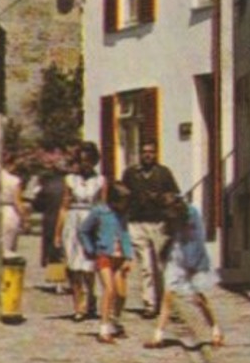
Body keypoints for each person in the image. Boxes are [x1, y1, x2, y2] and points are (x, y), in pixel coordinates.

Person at [145, 192, 223, 350]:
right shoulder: (170, 217)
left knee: (198, 299)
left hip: (194, 258)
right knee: (168, 296)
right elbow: (170, 235)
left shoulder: (192, 213)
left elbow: (198, 238)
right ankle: (157, 335)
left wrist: (194, 264)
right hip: (176, 257)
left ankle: (215, 330)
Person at [119, 140, 179, 316]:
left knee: (159, 266)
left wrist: (160, 198)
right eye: (144, 151)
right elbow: (123, 196)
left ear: (156, 153)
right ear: (139, 153)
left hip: (158, 223)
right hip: (137, 223)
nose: (148, 155)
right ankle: (150, 304)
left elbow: (173, 196)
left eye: (151, 152)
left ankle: (163, 301)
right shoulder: (130, 174)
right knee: (146, 266)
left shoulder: (163, 173)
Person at [55, 141, 103, 321]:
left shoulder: (100, 181)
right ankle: (78, 305)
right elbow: (64, 206)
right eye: (82, 161)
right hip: (73, 222)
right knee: (74, 266)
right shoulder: (70, 180)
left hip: (91, 222)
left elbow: (102, 207)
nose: (85, 165)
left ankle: (91, 298)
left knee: (89, 265)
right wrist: (58, 233)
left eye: (89, 161)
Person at [80, 184, 134, 343]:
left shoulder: (124, 214)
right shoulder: (99, 212)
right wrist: (90, 248)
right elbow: (84, 230)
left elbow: (124, 234)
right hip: (104, 254)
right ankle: (103, 329)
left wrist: (129, 256)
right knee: (109, 290)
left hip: (119, 256)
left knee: (122, 294)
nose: (124, 204)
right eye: (122, 201)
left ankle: (114, 322)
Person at [32, 153, 69, 290]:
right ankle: (74, 281)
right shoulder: (71, 183)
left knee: (54, 251)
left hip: (51, 219)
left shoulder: (47, 185)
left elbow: (37, 205)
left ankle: (57, 283)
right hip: (69, 219)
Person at [0, 156, 28, 257]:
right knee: (8, 244)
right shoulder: (14, 180)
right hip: (9, 209)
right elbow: (17, 201)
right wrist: (25, 219)